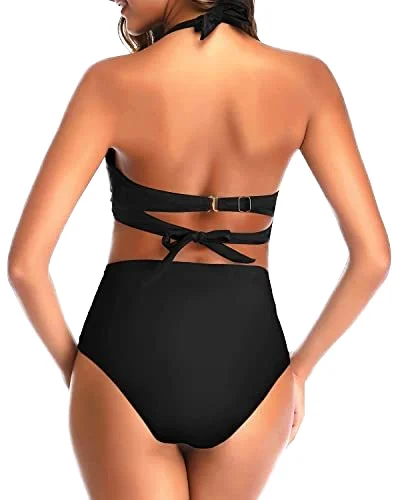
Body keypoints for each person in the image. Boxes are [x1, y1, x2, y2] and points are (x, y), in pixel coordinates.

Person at [7, 0, 391, 498]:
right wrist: (300, 369)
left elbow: (25, 266)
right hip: (252, 367)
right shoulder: (308, 80)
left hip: (124, 359)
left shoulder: (109, 83)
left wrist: (78, 373)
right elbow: (374, 257)